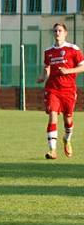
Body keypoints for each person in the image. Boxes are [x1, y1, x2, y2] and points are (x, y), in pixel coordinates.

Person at [39, 23, 84, 159]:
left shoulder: (73, 49)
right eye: (55, 31)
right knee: (53, 115)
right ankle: (52, 150)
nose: (57, 33)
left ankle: (67, 139)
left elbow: (82, 67)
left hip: (69, 90)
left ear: (65, 33)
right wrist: (43, 76)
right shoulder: (48, 51)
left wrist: (68, 71)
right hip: (53, 89)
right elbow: (47, 67)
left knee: (68, 119)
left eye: (60, 30)